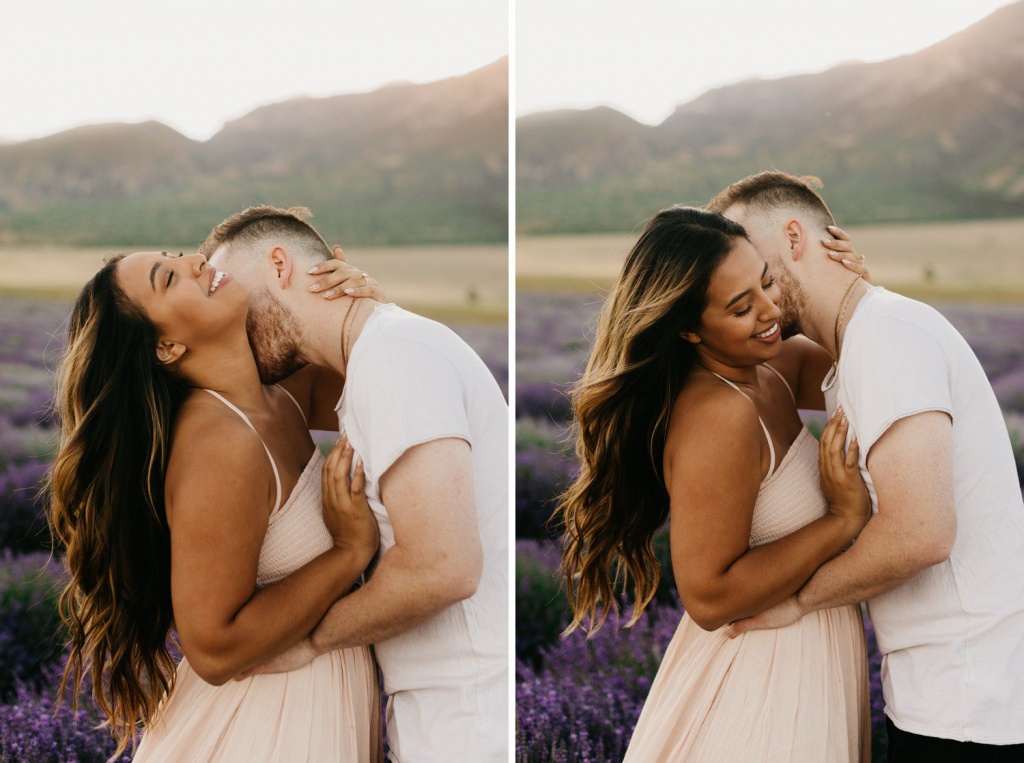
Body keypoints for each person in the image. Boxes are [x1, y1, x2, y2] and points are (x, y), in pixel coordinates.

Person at [712, 172, 1024, 760]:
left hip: (972, 700)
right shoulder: (865, 341)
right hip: (949, 691)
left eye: (755, 266)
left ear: (795, 237)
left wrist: (798, 600)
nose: (744, 286)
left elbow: (921, 532)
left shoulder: (886, 336)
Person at [559, 205, 873, 760]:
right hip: (761, 685)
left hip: (800, 657)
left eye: (767, 280)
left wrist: (852, 289)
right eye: (740, 306)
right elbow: (708, 595)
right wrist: (841, 521)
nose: (771, 309)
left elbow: (862, 357)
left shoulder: (767, 365)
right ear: (687, 328)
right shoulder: (718, 417)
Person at [48, 249, 386, 761]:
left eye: (177, 254)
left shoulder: (280, 393)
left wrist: (363, 304)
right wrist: (347, 552)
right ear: (167, 346)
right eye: (169, 277)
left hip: (313, 702)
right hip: (263, 726)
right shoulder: (218, 443)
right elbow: (212, 647)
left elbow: (384, 381)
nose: (195, 261)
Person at [201, 206, 509, 762]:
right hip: (440, 713)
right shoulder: (382, 355)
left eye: (231, 293)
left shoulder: (396, 354)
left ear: (279, 263)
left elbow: (445, 567)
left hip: (468, 721)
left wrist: (311, 639)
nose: (227, 317)